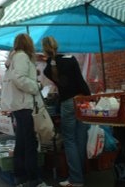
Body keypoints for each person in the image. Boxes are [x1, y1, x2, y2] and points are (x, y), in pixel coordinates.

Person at [1, 33, 52, 187]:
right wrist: (37, 86)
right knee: (29, 143)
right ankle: (34, 179)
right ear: (27, 43)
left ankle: (21, 176)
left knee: (22, 142)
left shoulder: (14, 58)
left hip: (19, 105)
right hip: (25, 105)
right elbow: (20, 79)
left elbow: (18, 77)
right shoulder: (22, 56)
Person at [42, 36, 91, 187]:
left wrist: (48, 60)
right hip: (81, 100)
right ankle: (81, 175)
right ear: (58, 45)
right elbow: (80, 81)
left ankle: (76, 180)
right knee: (81, 137)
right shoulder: (70, 59)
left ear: (45, 49)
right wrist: (89, 97)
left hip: (67, 103)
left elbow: (58, 77)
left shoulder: (48, 68)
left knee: (69, 141)